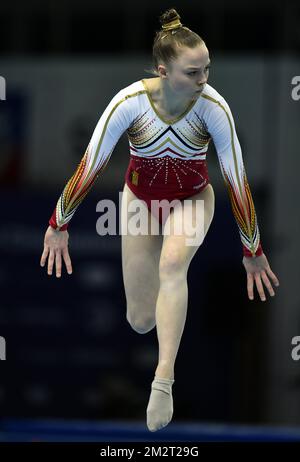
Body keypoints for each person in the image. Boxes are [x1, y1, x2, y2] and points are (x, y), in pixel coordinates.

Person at [40, 8, 280, 432]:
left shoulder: (213, 109)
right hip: (139, 204)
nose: (203, 80)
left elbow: (238, 182)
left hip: (192, 199)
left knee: (173, 265)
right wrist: (58, 225)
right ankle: (156, 344)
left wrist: (253, 250)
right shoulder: (129, 104)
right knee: (140, 320)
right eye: (192, 73)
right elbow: (90, 165)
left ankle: (163, 378)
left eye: (207, 69)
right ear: (163, 70)